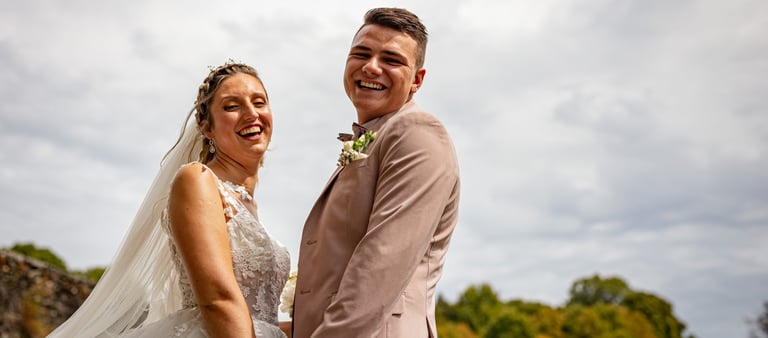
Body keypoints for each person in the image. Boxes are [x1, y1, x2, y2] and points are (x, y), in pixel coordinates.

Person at [47, 62, 290, 338]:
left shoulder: (249, 206)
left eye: (259, 102)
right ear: (206, 127)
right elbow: (217, 301)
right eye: (232, 106)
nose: (251, 113)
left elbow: (257, 319)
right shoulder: (198, 180)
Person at [293, 7, 460, 338]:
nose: (371, 67)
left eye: (392, 60)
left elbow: (379, 268)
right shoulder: (377, 134)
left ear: (417, 80)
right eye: (361, 53)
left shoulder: (417, 133)